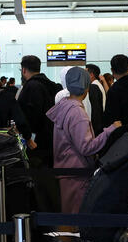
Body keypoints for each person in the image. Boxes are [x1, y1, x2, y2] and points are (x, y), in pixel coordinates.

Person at [46, 68, 121, 213]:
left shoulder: (64, 105)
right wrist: (110, 130)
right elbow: (86, 147)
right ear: (86, 87)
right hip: (77, 173)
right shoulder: (77, 113)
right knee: (76, 219)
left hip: (65, 169)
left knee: (67, 215)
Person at [17, 54, 63, 211]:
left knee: (39, 183)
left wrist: (29, 137)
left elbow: (30, 116)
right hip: (53, 140)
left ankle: (42, 211)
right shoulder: (53, 86)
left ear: (23, 70)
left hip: (37, 144)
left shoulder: (31, 87)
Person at [85, 63, 106, 135]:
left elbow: (95, 109)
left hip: (96, 126)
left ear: (91, 75)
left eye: (85, 73)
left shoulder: (94, 87)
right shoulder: (96, 84)